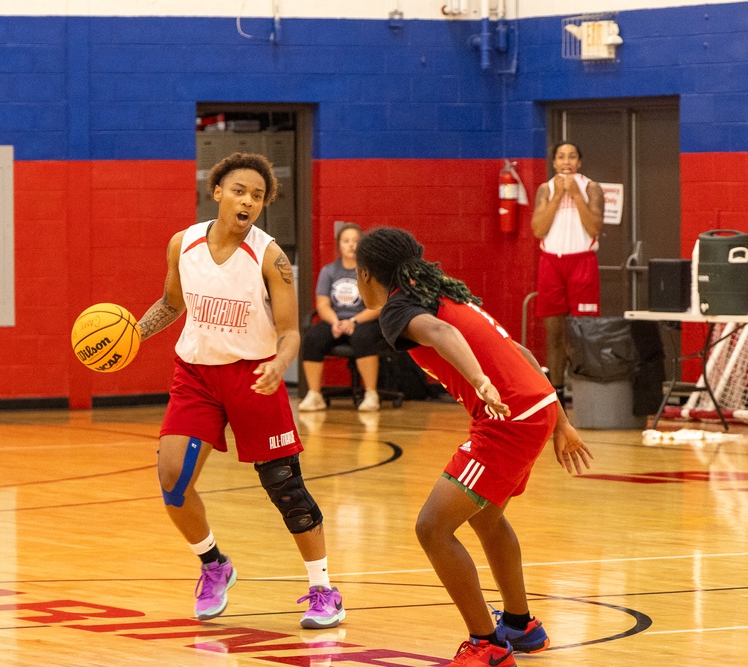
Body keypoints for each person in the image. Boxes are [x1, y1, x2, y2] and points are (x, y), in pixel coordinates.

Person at [354, 227, 593, 667]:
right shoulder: (443, 294)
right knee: (486, 515)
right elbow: (517, 349)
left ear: (366, 273)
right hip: (533, 406)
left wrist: (481, 381)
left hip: (507, 418)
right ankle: (520, 626)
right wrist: (558, 416)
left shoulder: (400, 310)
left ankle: (487, 645)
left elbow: (442, 334)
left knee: (432, 528)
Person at [134, 152, 345, 630]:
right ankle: (214, 565)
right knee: (172, 479)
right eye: (239, 191)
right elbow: (171, 304)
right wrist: (135, 333)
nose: (248, 201)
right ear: (217, 193)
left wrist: (280, 363)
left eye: (257, 195)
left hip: (254, 374)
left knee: (285, 487)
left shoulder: (271, 256)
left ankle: (323, 590)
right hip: (196, 376)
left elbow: (291, 330)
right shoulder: (182, 244)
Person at [530, 142, 604, 406]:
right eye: (561, 156)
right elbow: (538, 229)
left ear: (579, 162)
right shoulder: (545, 189)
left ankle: (587, 390)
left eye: (572, 156)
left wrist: (575, 195)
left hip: (582, 263)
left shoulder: (591, 188)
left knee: (583, 332)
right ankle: (556, 393)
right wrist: (558, 197)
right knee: (555, 333)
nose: (567, 161)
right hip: (552, 263)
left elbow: (594, 225)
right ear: (554, 163)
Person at [299, 223, 386, 412]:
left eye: (356, 241)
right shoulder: (329, 271)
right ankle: (315, 394)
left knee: (363, 337)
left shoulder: (370, 271)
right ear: (339, 246)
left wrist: (353, 321)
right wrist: (335, 322)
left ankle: (371, 394)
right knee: (313, 338)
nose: (351, 245)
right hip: (336, 320)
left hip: (363, 320)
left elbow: (379, 306)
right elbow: (322, 305)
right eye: (346, 241)